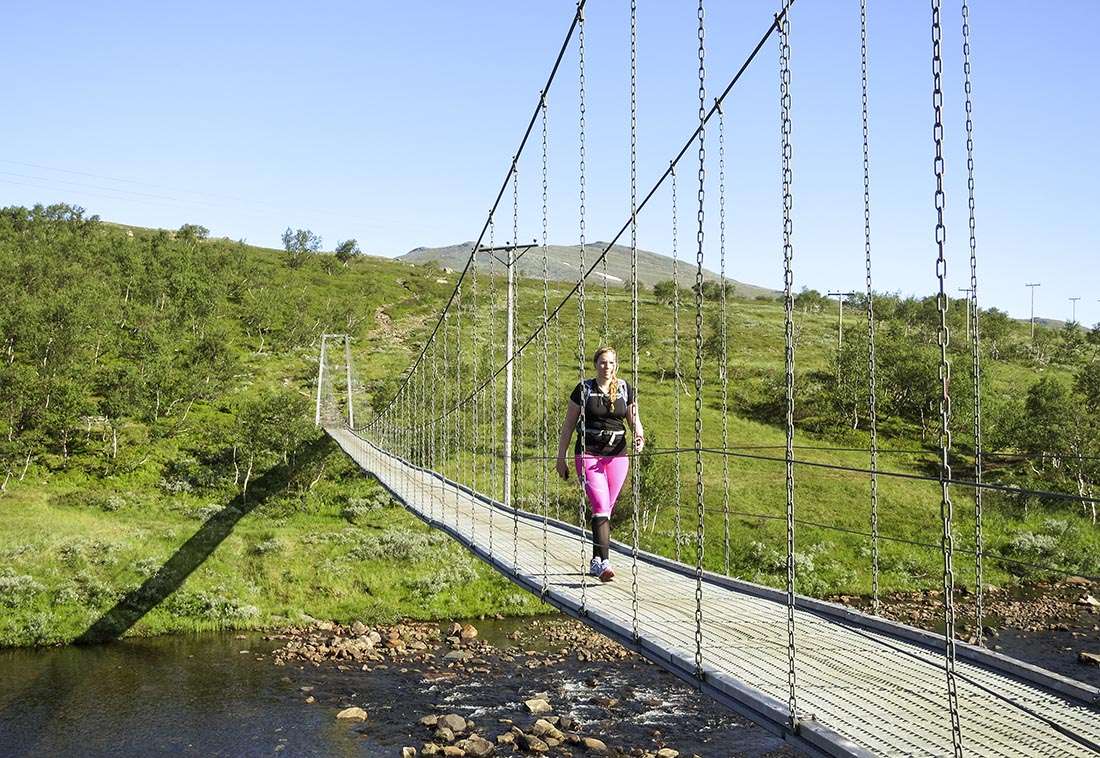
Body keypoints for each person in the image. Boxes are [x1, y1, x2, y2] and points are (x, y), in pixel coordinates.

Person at [555, 346, 644, 582]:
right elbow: (568, 427)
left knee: (605, 509)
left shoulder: (625, 389)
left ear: (616, 365)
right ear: (596, 364)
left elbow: (634, 419)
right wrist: (560, 457)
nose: (607, 367)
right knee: (601, 506)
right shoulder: (583, 390)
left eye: (611, 363)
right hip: (588, 454)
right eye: (603, 362)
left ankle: (595, 560)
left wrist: (639, 436)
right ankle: (604, 563)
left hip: (618, 455)